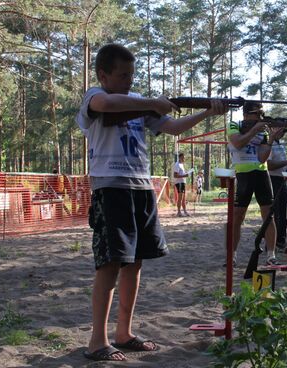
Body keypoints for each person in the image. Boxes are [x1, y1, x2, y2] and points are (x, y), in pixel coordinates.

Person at [76, 43, 227, 362]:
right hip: (111, 187)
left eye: (132, 75)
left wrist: (207, 112)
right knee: (110, 263)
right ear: (103, 74)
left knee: (135, 261)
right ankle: (96, 340)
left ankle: (124, 333)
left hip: (140, 188)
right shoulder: (94, 96)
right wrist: (154, 103)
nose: (129, 81)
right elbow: (105, 102)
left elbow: (172, 127)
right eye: (122, 75)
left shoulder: (138, 104)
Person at [227, 101, 283, 267]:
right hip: (242, 173)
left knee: (268, 215)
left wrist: (271, 138)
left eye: (261, 114)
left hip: (261, 173)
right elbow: (237, 143)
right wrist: (254, 130)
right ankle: (232, 255)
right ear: (245, 115)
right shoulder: (234, 124)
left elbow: (262, 157)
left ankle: (271, 254)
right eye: (256, 114)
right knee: (237, 216)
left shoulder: (263, 131)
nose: (260, 117)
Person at [267, 131, 287, 252]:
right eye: (279, 128)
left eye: (284, 129)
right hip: (272, 180)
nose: (282, 131)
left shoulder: (281, 144)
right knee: (276, 213)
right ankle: (273, 242)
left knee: (285, 211)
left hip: (282, 179)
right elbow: (269, 165)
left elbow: (280, 164)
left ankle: (281, 240)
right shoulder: (269, 144)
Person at [172, 152, 193, 217]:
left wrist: (186, 173)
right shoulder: (177, 165)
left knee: (183, 198)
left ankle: (185, 211)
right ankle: (178, 212)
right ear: (180, 157)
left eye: (184, 158)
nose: (184, 159)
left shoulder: (181, 164)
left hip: (183, 182)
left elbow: (181, 174)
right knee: (180, 197)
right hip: (179, 183)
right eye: (183, 158)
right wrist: (185, 175)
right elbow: (175, 175)